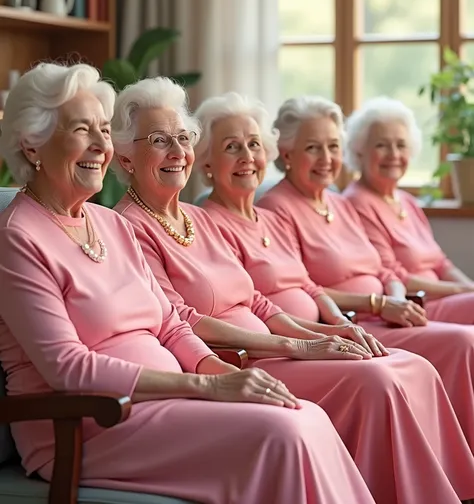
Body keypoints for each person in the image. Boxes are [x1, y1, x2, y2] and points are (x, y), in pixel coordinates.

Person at [0, 63, 381, 504]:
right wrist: (207, 387)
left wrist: (227, 374)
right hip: (90, 424)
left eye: (104, 130)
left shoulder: (109, 224)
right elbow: (67, 368)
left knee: (303, 415)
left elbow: (172, 325)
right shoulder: (18, 238)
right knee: (283, 433)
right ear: (32, 145)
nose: (101, 145)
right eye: (83, 130)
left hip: (162, 405)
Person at [112, 77, 474, 504]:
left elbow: (258, 301)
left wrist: (326, 333)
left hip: (281, 344)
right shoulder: (127, 225)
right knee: (377, 378)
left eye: (181, 138)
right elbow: (179, 322)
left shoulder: (197, 218)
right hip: (245, 358)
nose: (176, 151)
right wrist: (300, 343)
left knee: (411, 365)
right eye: (158, 140)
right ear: (126, 157)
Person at [257, 94, 474, 455]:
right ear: (287, 153)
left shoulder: (339, 204)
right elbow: (303, 289)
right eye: (313, 147)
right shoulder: (276, 208)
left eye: (332, 146)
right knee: (463, 342)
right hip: (356, 323)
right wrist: (378, 303)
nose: (326, 159)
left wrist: (395, 296)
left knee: (459, 343)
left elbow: (386, 267)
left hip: (389, 314)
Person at [344, 96, 474, 326]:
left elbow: (441, 264)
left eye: (400, 145)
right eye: (381, 145)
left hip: (447, 299)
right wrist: (460, 290)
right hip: (415, 306)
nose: (393, 154)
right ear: (359, 151)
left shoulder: (407, 201)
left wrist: (469, 288)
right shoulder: (356, 203)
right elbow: (392, 274)